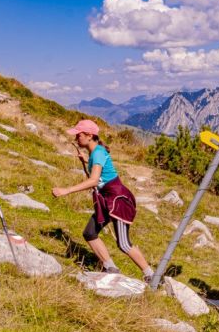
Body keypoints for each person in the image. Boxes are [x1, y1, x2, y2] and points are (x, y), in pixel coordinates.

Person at [52, 119, 154, 282]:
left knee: (124, 244)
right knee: (90, 233)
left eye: (79, 135)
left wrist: (66, 190)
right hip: (107, 199)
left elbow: (93, 181)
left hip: (117, 200)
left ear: (89, 135)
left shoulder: (98, 153)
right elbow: (99, 174)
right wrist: (86, 162)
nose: (76, 138)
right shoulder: (95, 153)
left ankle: (151, 275)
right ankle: (110, 267)